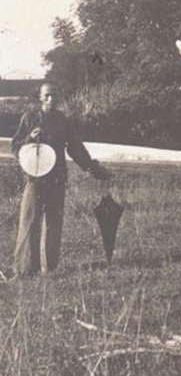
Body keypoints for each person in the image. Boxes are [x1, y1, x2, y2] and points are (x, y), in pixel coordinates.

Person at [11, 81, 109, 278]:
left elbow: (75, 148)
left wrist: (92, 168)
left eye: (54, 95)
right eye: (47, 95)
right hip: (35, 179)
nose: (51, 99)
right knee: (29, 222)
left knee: (53, 224)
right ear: (40, 97)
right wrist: (29, 138)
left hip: (57, 179)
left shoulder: (63, 120)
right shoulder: (29, 118)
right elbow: (15, 147)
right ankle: (24, 270)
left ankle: (50, 269)